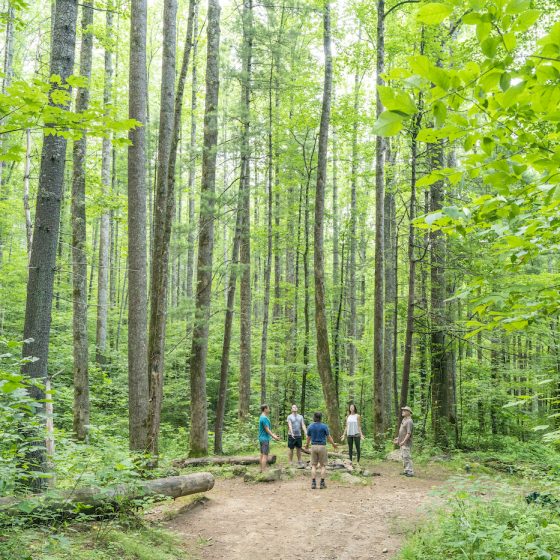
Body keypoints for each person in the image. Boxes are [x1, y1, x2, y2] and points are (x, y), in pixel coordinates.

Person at [305, 411, 338, 489]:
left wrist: (306, 445)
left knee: (313, 465)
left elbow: (308, 438)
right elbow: (328, 437)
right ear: (320, 418)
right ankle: (322, 483)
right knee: (323, 466)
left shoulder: (310, 426)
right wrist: (333, 444)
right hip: (322, 447)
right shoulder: (324, 426)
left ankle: (313, 483)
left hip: (313, 446)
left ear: (315, 417)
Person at [393, 406, 414, 477]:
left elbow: (408, 433)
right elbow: (402, 432)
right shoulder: (404, 420)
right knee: (403, 456)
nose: (403, 412)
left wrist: (404, 441)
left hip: (406, 443)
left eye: (404, 411)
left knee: (407, 456)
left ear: (408, 412)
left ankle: (410, 472)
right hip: (402, 442)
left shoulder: (409, 421)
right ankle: (406, 470)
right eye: (403, 410)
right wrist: (398, 439)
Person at [259, 404, 280, 472]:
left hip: (261, 438)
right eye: (268, 408)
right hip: (265, 439)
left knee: (262, 454)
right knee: (265, 455)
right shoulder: (264, 418)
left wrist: (273, 434)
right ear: (265, 409)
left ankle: (261, 469)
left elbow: (266, 429)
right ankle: (264, 471)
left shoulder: (261, 416)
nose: (269, 409)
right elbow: (267, 429)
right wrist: (274, 437)